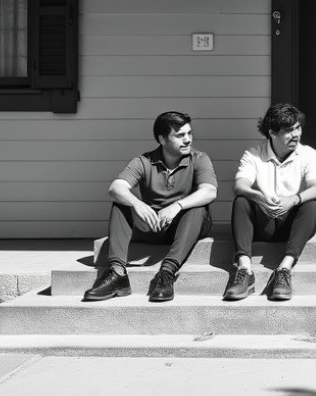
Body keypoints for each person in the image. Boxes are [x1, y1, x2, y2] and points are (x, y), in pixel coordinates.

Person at [83, 111, 217, 302]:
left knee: (198, 207)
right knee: (121, 203)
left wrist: (177, 205)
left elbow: (210, 191)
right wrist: (137, 203)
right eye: (180, 135)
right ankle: (117, 274)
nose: (187, 140)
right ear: (162, 140)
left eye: (189, 133)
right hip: (153, 225)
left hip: (188, 225)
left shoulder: (199, 159)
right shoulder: (144, 161)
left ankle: (167, 273)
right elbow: (116, 188)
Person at [224, 103, 316, 301]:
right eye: (288, 130)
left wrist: (293, 199)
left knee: (311, 204)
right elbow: (240, 185)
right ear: (272, 132)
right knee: (242, 201)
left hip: (294, 226)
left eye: (298, 127)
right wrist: (259, 196)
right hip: (264, 223)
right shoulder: (253, 154)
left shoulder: (308, 154)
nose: (295, 134)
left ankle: (283, 270)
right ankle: (245, 271)